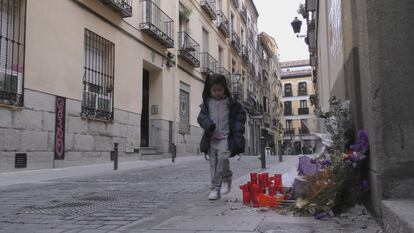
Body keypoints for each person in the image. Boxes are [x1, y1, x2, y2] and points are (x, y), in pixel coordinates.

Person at [197, 73, 246, 200]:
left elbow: (240, 114)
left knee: (223, 159)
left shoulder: (230, 103)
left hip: (225, 138)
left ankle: (226, 178)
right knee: (213, 165)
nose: (217, 93)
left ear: (224, 89)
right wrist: (207, 123)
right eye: (214, 90)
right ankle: (214, 189)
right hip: (211, 139)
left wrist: (237, 129)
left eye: (220, 90)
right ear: (210, 90)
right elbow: (201, 117)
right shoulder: (206, 103)